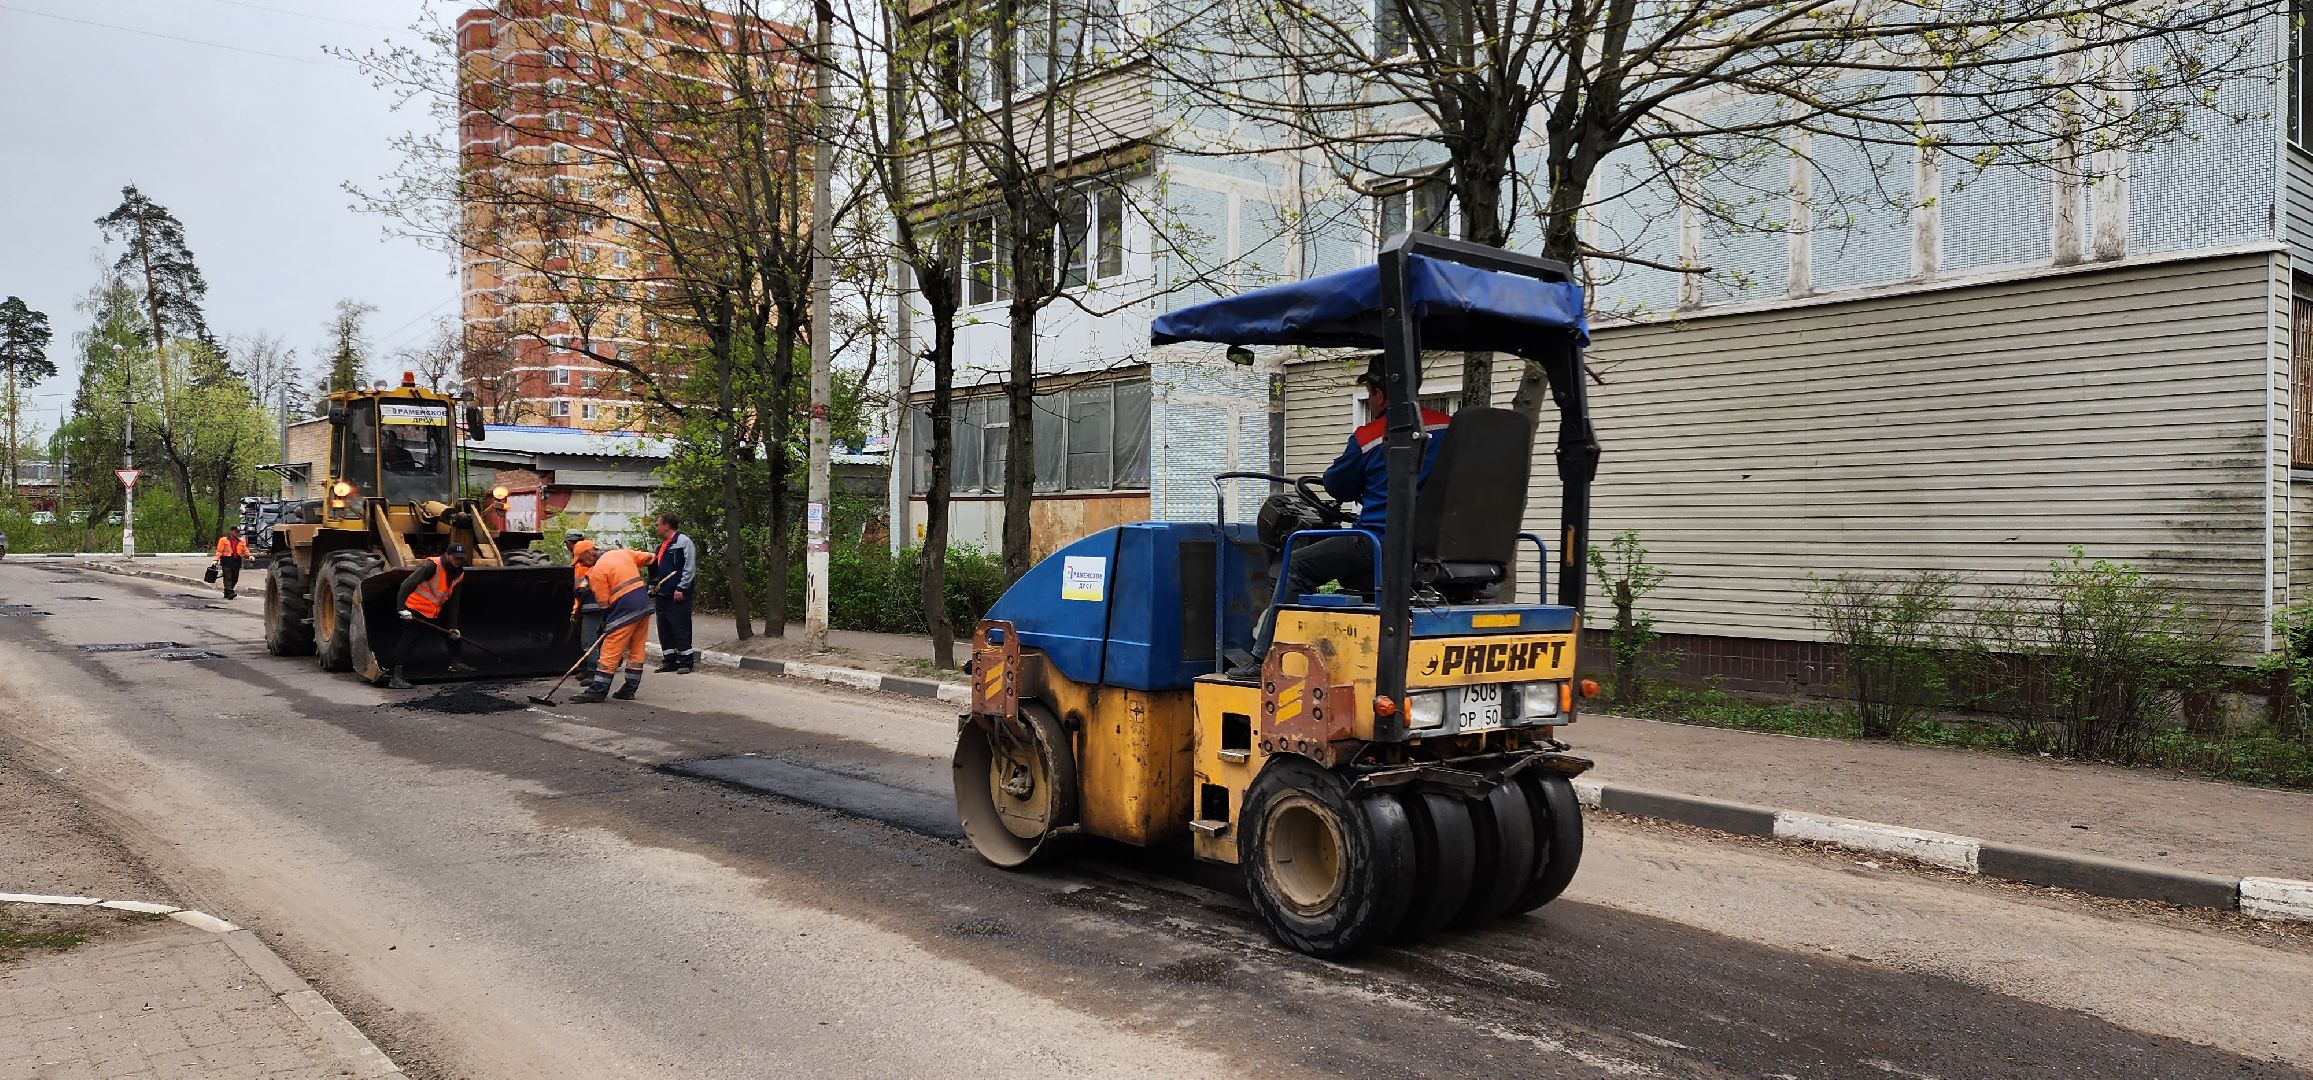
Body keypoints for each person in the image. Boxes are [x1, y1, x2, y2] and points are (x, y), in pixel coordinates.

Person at [1232, 356, 1451, 679]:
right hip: (1433, 546)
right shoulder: (1449, 428)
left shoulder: (1372, 436)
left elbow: (1337, 484)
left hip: (1378, 542)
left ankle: (1264, 659)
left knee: (1296, 562)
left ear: (1378, 393)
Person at [570, 542, 655, 703]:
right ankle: (629, 689)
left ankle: (598, 691)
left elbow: (603, 604)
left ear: (589, 554)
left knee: (610, 649)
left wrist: (607, 626)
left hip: (624, 610)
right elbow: (652, 558)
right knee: (636, 648)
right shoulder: (622, 553)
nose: (581, 564)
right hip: (644, 605)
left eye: (581, 560)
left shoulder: (597, 572)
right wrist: (653, 580)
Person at [389, 543, 471, 689]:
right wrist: (401, 608)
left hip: (434, 610)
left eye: (461, 559)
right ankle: (396, 677)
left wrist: (453, 626)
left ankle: (455, 663)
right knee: (410, 639)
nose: (458, 561)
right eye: (455, 558)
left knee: (453, 635)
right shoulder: (431, 566)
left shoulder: (459, 573)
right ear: (447, 555)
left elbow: (454, 601)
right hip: (414, 609)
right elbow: (406, 584)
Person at [650, 513, 697, 674]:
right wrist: (652, 586)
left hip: (677, 594)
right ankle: (669, 660)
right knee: (664, 628)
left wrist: (681, 588)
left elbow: (689, 567)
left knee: (680, 626)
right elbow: (656, 569)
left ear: (667, 525)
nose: (656, 527)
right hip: (662, 594)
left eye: (658, 524)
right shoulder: (662, 545)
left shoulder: (683, 542)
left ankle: (685, 661)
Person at [564, 532, 604, 674]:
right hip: (591, 606)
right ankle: (590, 669)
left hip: (593, 606)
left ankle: (594, 672)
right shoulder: (584, 562)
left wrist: (576, 610)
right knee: (592, 640)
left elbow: (583, 590)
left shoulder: (591, 564)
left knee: (589, 641)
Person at [212, 527, 251, 600]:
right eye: (236, 531)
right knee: (228, 577)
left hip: (236, 561)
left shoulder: (241, 541)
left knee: (235, 578)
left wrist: (250, 555)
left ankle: (227, 592)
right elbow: (219, 551)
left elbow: (245, 550)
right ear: (231, 531)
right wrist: (215, 560)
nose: (237, 533)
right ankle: (230, 592)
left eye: (238, 532)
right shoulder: (223, 540)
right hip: (226, 560)